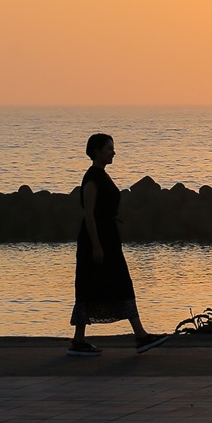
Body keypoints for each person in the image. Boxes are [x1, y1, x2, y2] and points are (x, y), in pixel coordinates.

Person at [67, 133, 169, 356]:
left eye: (113, 148)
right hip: (97, 238)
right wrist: (96, 245)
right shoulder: (92, 177)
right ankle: (139, 335)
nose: (113, 152)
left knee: (114, 282)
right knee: (94, 284)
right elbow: (89, 214)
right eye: (109, 148)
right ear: (97, 151)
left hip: (108, 236)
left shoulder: (102, 175)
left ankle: (80, 339)